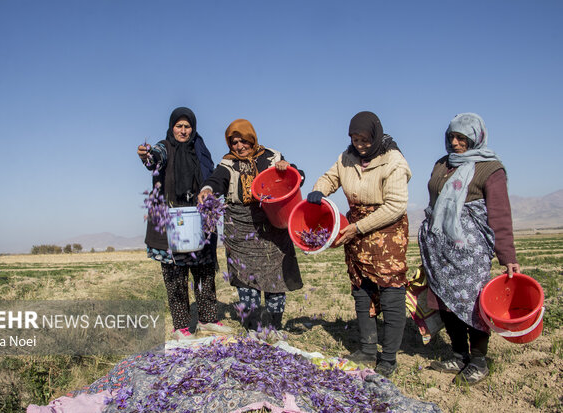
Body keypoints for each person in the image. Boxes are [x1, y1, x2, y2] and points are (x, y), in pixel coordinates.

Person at [307, 111, 411, 377]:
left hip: (386, 230)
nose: (360, 145)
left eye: (365, 139)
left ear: (375, 135)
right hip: (356, 231)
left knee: (390, 289)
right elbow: (332, 177)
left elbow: (396, 205)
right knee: (361, 286)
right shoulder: (347, 157)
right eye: (355, 139)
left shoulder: (393, 160)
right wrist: (319, 189)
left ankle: (388, 357)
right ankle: (366, 347)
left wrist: (359, 227)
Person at [419, 113, 520, 384]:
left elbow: (500, 214)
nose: (455, 142)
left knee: (473, 304)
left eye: (461, 138)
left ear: (475, 138)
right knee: (445, 301)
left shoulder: (490, 168)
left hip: (470, 252)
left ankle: (478, 360)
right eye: (451, 137)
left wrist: (507, 255)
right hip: (440, 248)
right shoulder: (442, 164)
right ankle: (458, 354)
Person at [198, 119, 304, 333]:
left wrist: (288, 168)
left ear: (252, 139)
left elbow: (297, 177)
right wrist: (208, 189)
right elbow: (217, 180)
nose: (239, 146)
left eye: (243, 141)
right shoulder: (227, 163)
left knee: (276, 278)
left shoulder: (272, 156)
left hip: (272, 225)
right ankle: (253, 328)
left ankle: (275, 326)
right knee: (246, 281)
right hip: (240, 227)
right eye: (234, 142)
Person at [137, 107, 231, 340]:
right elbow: (154, 158)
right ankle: (180, 326)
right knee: (175, 276)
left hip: (199, 217)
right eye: (178, 126)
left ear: (193, 128)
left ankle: (207, 319)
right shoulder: (164, 146)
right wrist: (146, 155)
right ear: (171, 127)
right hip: (171, 220)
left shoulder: (200, 148)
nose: (183, 130)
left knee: (204, 272)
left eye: (187, 126)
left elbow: (211, 174)